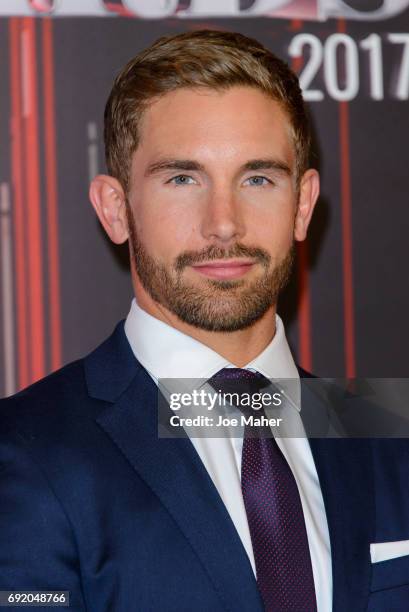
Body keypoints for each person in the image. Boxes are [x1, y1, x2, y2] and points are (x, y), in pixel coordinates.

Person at [1, 29, 408, 612]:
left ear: (303, 204)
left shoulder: (388, 437)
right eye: (182, 178)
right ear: (115, 209)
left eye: (258, 179)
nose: (224, 224)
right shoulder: (24, 452)